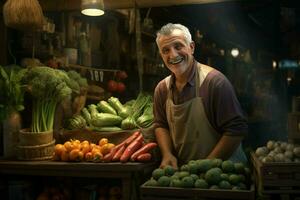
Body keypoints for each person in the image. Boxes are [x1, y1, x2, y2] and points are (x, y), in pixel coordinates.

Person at [153, 23, 248, 169]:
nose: (173, 55)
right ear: (161, 55)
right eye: (166, 50)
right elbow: (161, 125)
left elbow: (236, 129)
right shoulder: (162, 89)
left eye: (178, 46)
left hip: (223, 172)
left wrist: (207, 165)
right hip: (186, 173)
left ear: (191, 47)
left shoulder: (214, 83)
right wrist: (167, 154)